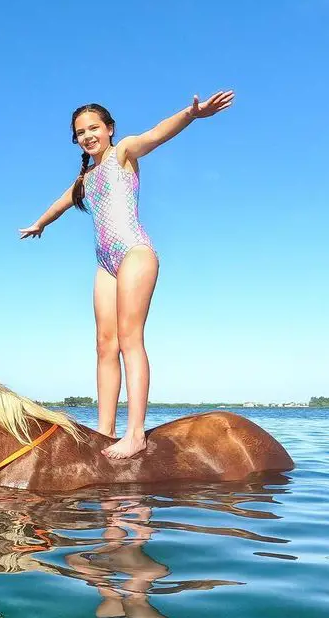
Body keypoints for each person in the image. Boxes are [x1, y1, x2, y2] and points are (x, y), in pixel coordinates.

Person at [19, 92, 235, 459]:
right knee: (105, 344)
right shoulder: (84, 180)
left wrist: (192, 114)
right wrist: (40, 224)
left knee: (129, 338)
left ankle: (135, 433)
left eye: (94, 128)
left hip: (134, 252)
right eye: (80, 132)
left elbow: (158, 133)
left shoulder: (124, 153)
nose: (88, 136)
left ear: (109, 129)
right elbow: (60, 203)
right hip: (105, 263)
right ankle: (105, 430)